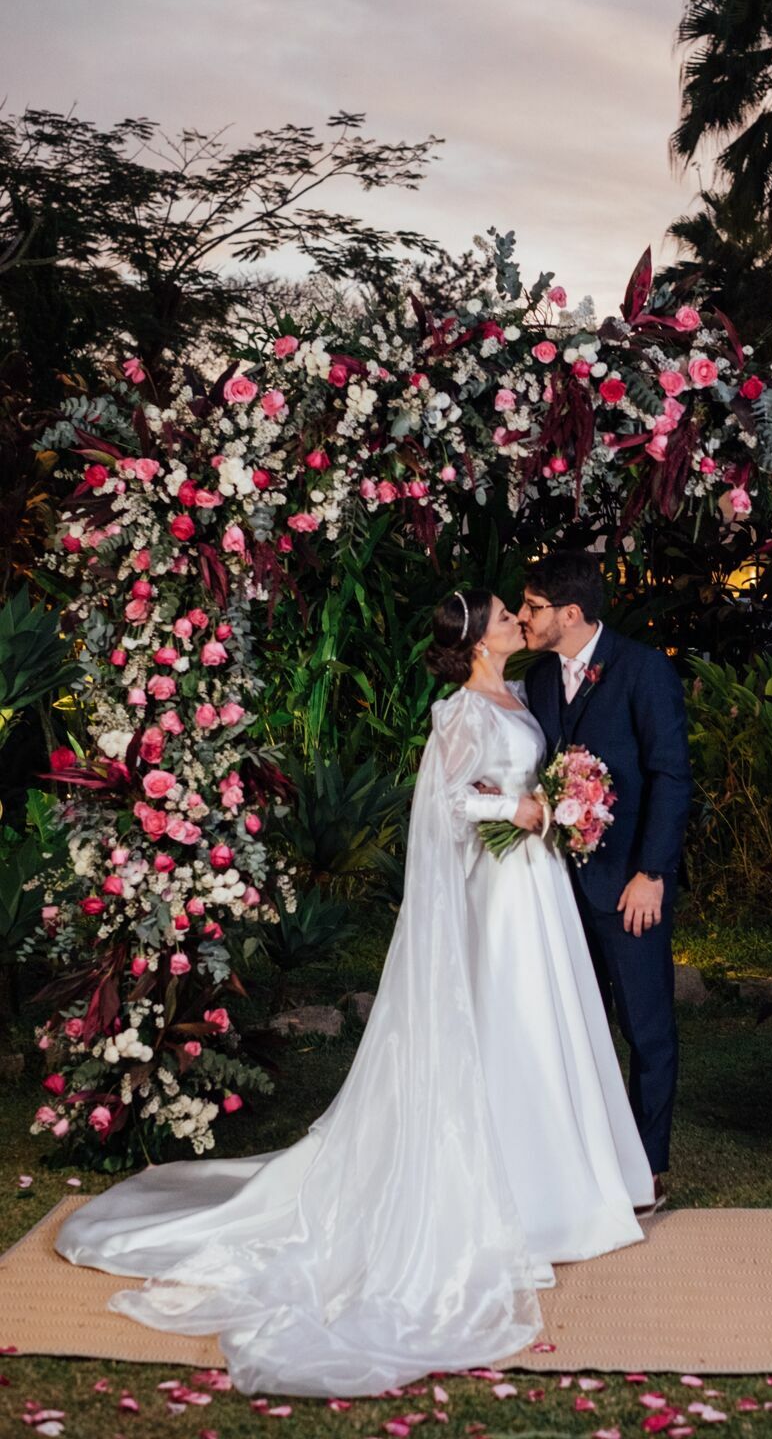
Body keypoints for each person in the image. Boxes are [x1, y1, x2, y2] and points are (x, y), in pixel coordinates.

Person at [53, 589, 653, 1399]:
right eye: (506, 615)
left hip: (531, 884)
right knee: (510, 1023)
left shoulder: (521, 692)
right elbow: (448, 803)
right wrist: (519, 805)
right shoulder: (460, 711)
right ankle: (523, 1192)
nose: (518, 619)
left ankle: (565, 1182)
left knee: (546, 1024)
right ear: (477, 639)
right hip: (502, 892)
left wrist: (562, 804)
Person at [517, 550, 692, 1208]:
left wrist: (652, 873)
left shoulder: (643, 669)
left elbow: (671, 776)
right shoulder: (535, 678)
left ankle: (645, 1170)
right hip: (553, 887)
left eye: (532, 607)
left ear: (569, 612)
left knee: (644, 1029)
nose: (525, 616)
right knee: (574, 1027)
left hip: (627, 886)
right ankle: (582, 1157)